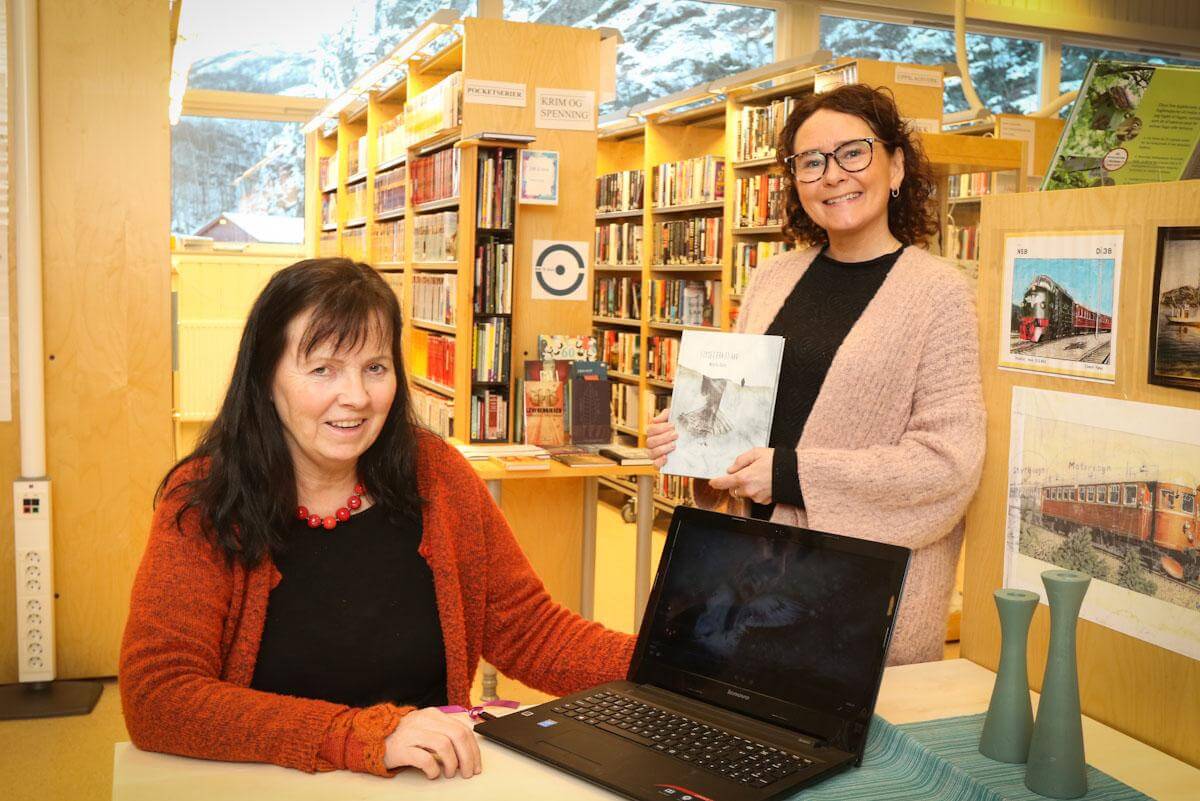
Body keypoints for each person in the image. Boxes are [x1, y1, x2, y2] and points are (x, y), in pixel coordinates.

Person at [120, 259, 635, 779]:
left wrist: (670, 666)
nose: (357, 397)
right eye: (322, 369)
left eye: (375, 367)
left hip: (425, 785)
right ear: (265, 375)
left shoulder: (438, 476)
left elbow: (531, 632)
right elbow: (158, 695)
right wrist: (363, 736)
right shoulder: (207, 498)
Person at [647, 84, 985, 666]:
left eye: (853, 152)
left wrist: (792, 474)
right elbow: (744, 415)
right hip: (746, 577)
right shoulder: (772, 278)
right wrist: (693, 437)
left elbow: (947, 464)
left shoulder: (942, 294)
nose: (833, 175)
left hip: (854, 599)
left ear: (897, 164)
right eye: (811, 162)